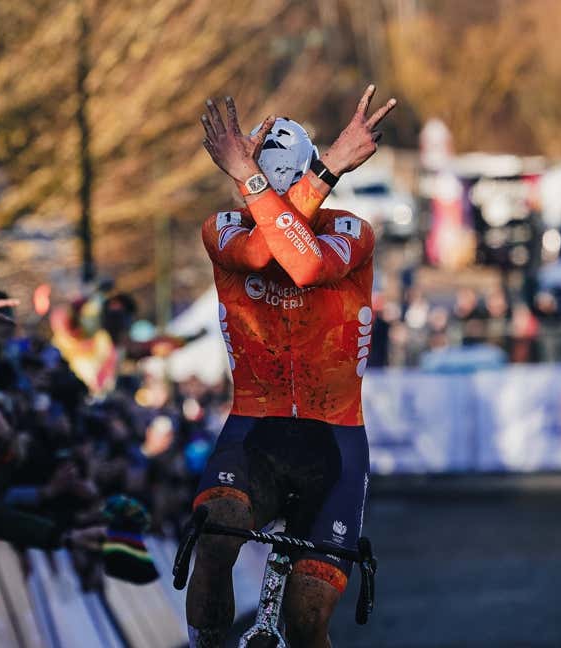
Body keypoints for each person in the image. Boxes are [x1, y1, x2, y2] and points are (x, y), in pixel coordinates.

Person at [186, 86, 395, 648]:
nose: (267, 206)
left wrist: (267, 175)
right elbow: (262, 250)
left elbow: (301, 263)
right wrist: (315, 173)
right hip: (256, 429)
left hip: (336, 444)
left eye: (281, 194)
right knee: (215, 536)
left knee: (307, 621)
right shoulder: (222, 229)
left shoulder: (351, 230)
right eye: (261, 193)